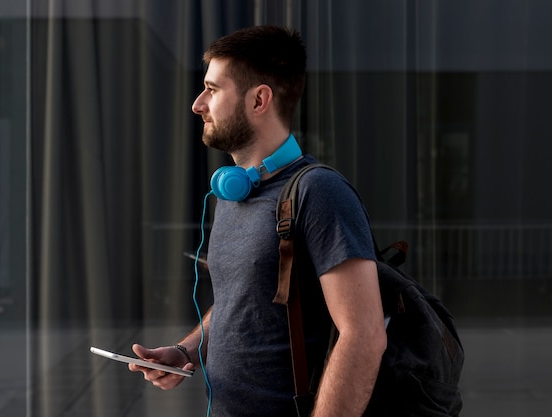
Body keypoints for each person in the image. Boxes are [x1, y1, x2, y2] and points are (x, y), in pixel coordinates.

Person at [128, 25, 387, 417]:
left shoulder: (318, 193)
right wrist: (186, 351)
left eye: (213, 90)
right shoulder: (235, 195)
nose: (198, 104)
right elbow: (241, 303)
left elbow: (364, 336)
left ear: (259, 99)